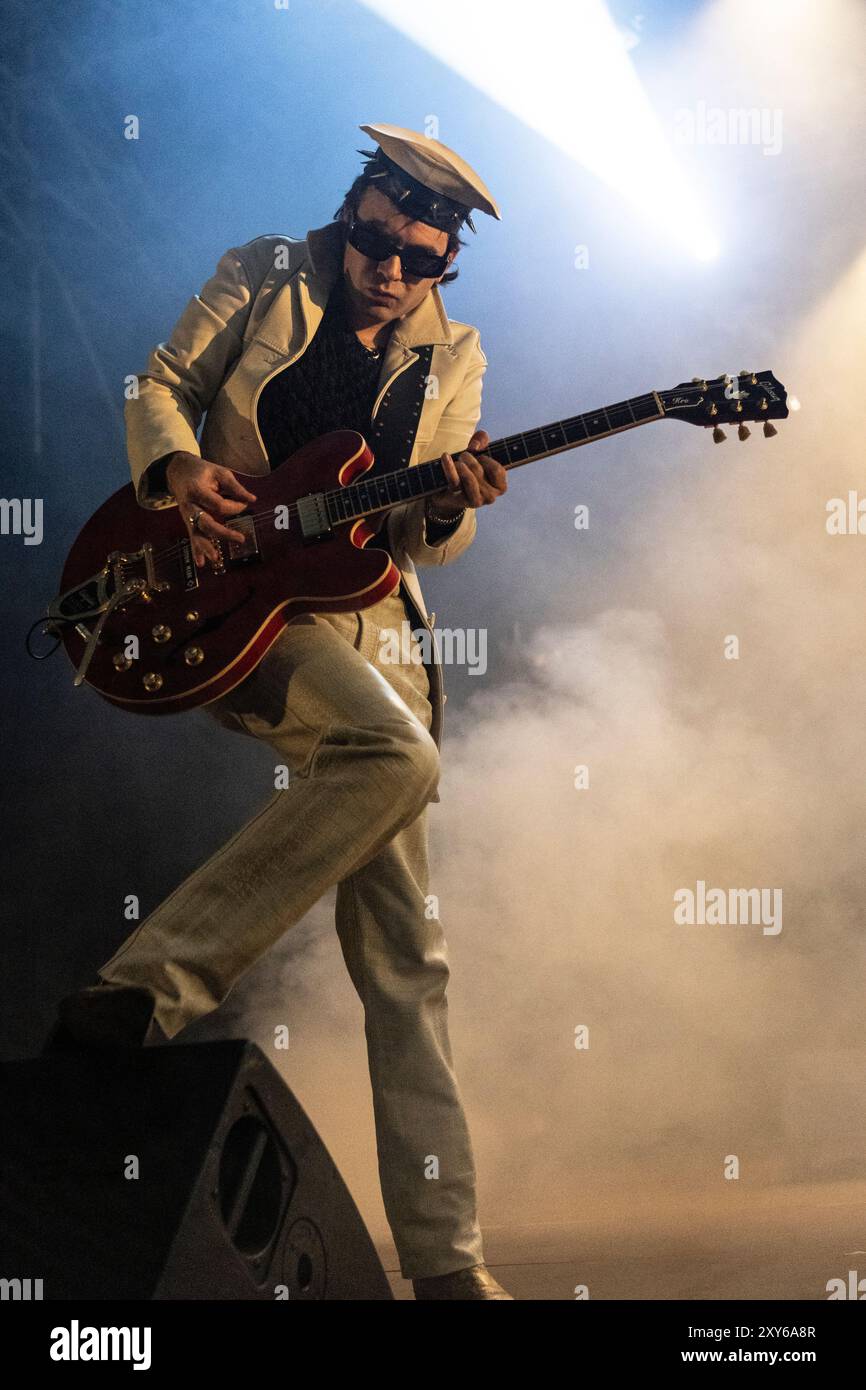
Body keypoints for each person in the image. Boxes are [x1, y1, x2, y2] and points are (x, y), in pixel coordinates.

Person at [48, 123, 511, 1300]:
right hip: (236, 594)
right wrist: (176, 472)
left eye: (417, 259)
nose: (388, 273)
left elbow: (424, 542)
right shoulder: (260, 274)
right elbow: (158, 383)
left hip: (373, 625)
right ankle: (142, 992)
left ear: (444, 264)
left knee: (410, 958)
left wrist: (457, 501)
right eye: (372, 240)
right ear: (349, 208)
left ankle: (447, 1266)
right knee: (385, 755)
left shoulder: (453, 357)